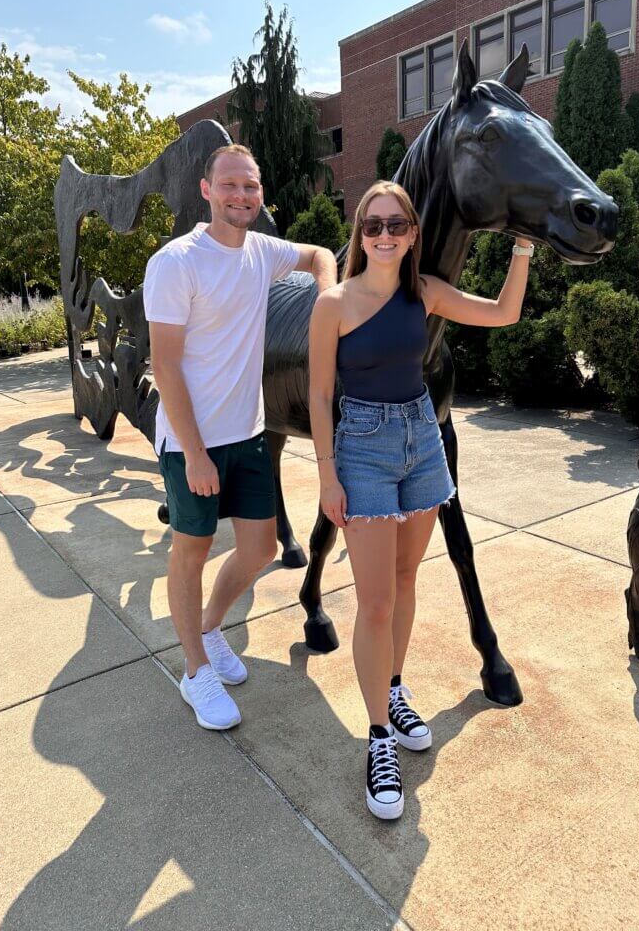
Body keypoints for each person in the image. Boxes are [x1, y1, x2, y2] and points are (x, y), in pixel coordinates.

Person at [308, 180, 534, 820]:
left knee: (407, 581)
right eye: (373, 225)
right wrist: (327, 475)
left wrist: (522, 247)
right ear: (360, 232)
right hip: (363, 449)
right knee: (374, 603)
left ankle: (394, 688)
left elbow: (503, 314)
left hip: (422, 442)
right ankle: (379, 736)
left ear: (412, 234)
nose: (385, 235)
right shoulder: (334, 304)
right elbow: (321, 396)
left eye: (396, 225)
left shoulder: (424, 292)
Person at [144, 144, 336, 732]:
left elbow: (320, 253)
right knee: (192, 552)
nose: (241, 196)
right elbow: (167, 366)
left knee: (257, 550)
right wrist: (195, 452)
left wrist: (327, 300)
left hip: (250, 433)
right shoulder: (177, 262)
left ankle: (209, 626)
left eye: (250, 186)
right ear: (206, 191)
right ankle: (195, 670)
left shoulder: (262, 251)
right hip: (191, 441)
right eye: (229, 185)